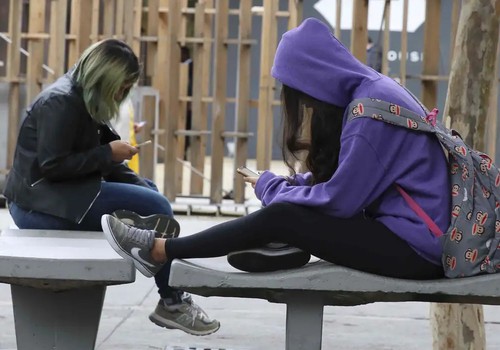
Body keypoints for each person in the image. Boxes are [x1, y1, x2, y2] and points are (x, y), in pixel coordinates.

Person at [100, 16, 450, 310]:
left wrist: (273, 189)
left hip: (417, 249)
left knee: (282, 216)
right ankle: (277, 239)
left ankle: (160, 250)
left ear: (311, 80)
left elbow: (339, 201)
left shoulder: (367, 114)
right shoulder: (376, 92)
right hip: (412, 235)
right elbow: (359, 175)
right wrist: (293, 186)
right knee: (284, 216)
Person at [2, 39, 219, 336]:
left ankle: (152, 262)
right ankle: (172, 300)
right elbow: (53, 167)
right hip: (37, 206)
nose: (122, 94)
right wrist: (109, 154)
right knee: (158, 209)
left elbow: (110, 163)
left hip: (60, 196)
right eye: (122, 86)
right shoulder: (61, 101)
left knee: (152, 195)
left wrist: (137, 181)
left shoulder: (84, 98)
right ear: (106, 77)